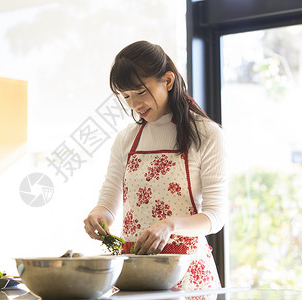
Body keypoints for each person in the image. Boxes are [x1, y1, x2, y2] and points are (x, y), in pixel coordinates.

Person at [83, 41, 227, 290]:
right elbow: (109, 200)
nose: (135, 104)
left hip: (186, 273)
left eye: (140, 92)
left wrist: (170, 225)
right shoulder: (127, 138)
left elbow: (215, 216)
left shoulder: (207, 133)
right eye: (126, 96)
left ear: (167, 81)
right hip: (134, 272)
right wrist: (99, 216)